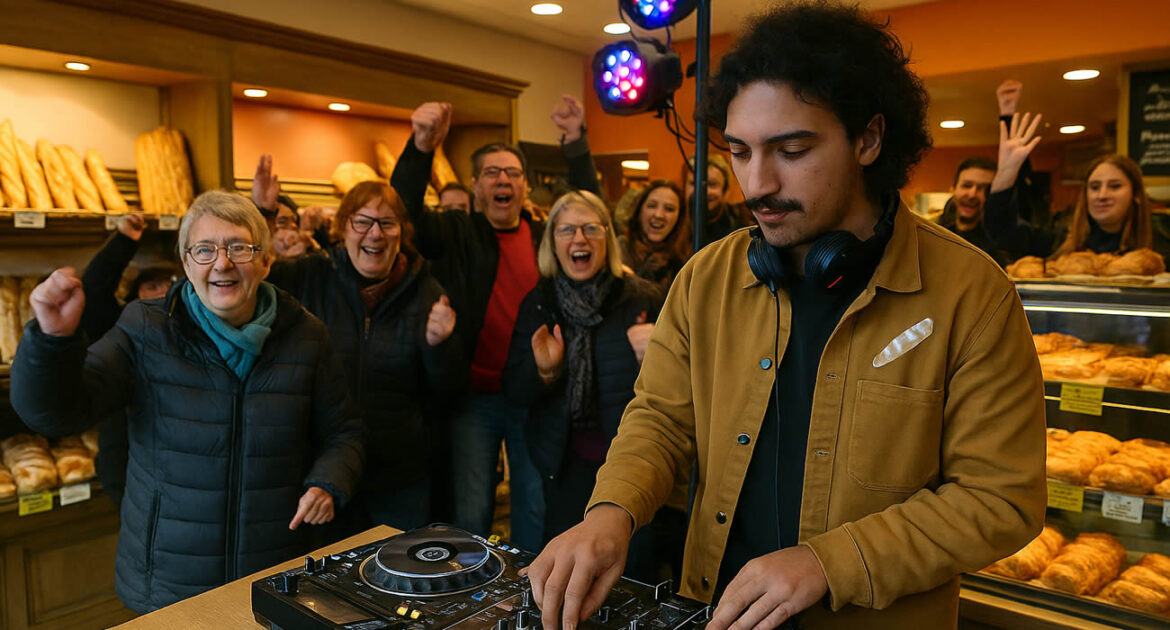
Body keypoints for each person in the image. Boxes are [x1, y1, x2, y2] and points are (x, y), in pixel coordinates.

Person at [523, 4, 1046, 630]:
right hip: (710, 610)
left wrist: (829, 563)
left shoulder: (972, 293)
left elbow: (1000, 498)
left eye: (791, 150)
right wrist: (611, 512)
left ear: (869, 139)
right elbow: (661, 420)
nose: (757, 183)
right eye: (740, 151)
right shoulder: (705, 278)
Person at [11, 190, 364, 613]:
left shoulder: (306, 336)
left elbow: (345, 432)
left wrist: (328, 481)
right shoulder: (146, 328)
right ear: (186, 263)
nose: (222, 262)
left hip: (274, 570)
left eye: (239, 247)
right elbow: (58, 412)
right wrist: (51, 342)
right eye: (204, 249)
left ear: (266, 261)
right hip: (167, 579)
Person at [389, 95, 601, 552]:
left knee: (533, 504)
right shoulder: (455, 232)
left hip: (534, 394)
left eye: (512, 173)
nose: (503, 180)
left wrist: (575, 143)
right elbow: (403, 207)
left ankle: (524, 596)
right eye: (491, 173)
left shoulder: (549, 235)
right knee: (472, 510)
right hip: (474, 400)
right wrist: (421, 147)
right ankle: (471, 601)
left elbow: (590, 209)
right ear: (475, 186)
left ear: (525, 185)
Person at [263, 177, 467, 532]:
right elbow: (254, 278)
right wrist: (264, 214)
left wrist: (441, 346)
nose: (375, 233)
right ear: (344, 228)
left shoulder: (426, 291)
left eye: (387, 223)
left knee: (397, 575)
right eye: (362, 221)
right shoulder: (312, 275)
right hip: (325, 472)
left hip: (399, 475)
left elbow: (449, 392)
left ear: (401, 233)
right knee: (327, 579)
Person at [503, 190, 661, 545]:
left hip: (628, 464)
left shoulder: (642, 297)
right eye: (567, 230)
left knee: (631, 569)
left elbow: (683, 390)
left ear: (608, 237)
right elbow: (514, 389)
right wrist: (545, 372)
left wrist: (654, 359)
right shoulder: (540, 302)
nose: (579, 239)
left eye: (591, 228)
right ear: (553, 243)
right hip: (563, 465)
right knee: (567, 558)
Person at [79, 213, 180, 508]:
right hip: (127, 466)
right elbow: (94, 290)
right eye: (151, 286)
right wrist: (123, 242)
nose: (162, 292)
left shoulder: (198, 329)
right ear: (134, 297)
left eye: (169, 284)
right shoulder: (122, 325)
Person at [984, 117, 1170, 259]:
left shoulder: (1161, 248)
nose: (1102, 195)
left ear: (1136, 194)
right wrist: (1006, 172)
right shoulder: (1061, 243)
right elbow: (1002, 231)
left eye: (1115, 186)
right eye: (1094, 187)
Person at [618, 180, 691, 290]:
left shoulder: (686, 261)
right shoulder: (619, 249)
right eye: (652, 206)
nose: (659, 215)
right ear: (639, 210)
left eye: (669, 209)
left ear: (679, 218)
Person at [937, 157, 1006, 262]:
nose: (972, 195)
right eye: (967, 185)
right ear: (953, 189)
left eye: (984, 189)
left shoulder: (1002, 243)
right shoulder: (932, 233)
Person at [685, 153, 750, 244]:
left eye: (712, 184)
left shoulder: (743, 222)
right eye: (694, 183)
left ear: (725, 189)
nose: (703, 191)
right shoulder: (675, 224)